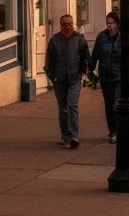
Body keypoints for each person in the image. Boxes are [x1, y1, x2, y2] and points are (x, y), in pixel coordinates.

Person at [44, 14, 89, 148]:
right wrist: (52, 76)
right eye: (66, 24)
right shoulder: (55, 40)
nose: (69, 26)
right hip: (60, 79)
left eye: (70, 24)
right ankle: (65, 134)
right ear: (61, 25)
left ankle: (74, 135)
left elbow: (85, 56)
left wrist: (83, 71)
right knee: (63, 109)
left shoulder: (79, 39)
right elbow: (50, 61)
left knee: (72, 105)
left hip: (74, 78)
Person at [88, 12, 124, 143]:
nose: (109, 26)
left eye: (112, 23)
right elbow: (96, 54)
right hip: (105, 76)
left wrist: (128, 73)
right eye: (108, 23)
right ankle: (113, 130)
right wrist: (90, 69)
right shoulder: (102, 37)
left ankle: (119, 130)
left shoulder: (123, 38)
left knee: (117, 103)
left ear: (117, 24)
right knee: (109, 106)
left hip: (119, 76)